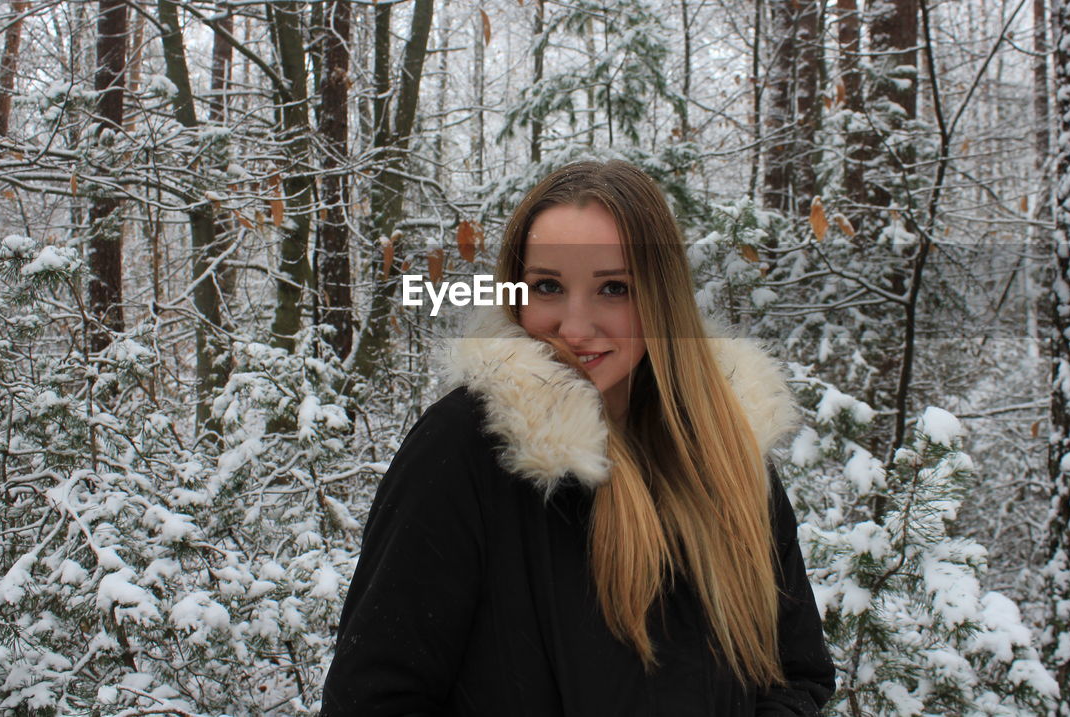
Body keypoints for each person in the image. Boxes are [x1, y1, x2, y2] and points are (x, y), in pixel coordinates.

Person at [319, 160, 836, 716]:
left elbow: (796, 673)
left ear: (660, 299)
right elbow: (371, 700)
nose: (574, 326)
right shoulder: (464, 449)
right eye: (548, 286)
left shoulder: (727, 450)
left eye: (614, 288)